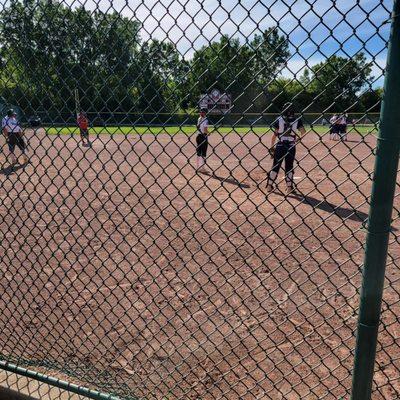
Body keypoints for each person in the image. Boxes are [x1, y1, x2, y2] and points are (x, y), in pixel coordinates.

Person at [266, 103, 306, 194]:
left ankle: (269, 186)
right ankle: (289, 188)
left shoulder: (279, 119)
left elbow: (274, 135)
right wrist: (298, 140)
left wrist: (272, 147)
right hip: (291, 145)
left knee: (276, 165)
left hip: (280, 145)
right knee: (289, 166)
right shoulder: (297, 120)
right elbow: (303, 132)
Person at [196, 108, 210, 173]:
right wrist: (209, 133)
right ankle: (202, 168)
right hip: (203, 136)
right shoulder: (206, 120)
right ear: (206, 113)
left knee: (199, 151)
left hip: (198, 136)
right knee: (203, 152)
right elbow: (205, 130)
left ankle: (198, 167)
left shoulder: (199, 119)